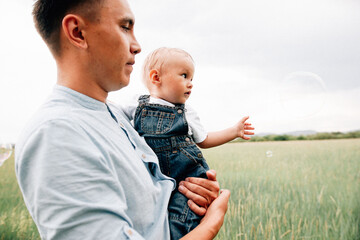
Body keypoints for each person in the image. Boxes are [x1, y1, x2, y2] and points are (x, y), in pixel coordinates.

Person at [15, 0, 230, 239]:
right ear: (78, 32)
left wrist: (189, 191)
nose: (137, 46)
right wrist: (209, 225)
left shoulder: (118, 115)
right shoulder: (57, 133)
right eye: (125, 27)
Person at [121, 47, 254, 239]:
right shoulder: (135, 105)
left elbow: (205, 140)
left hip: (187, 180)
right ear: (156, 78)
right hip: (152, 181)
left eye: (192, 78)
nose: (190, 84)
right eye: (184, 76)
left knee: (180, 218)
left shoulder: (186, 113)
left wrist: (234, 131)